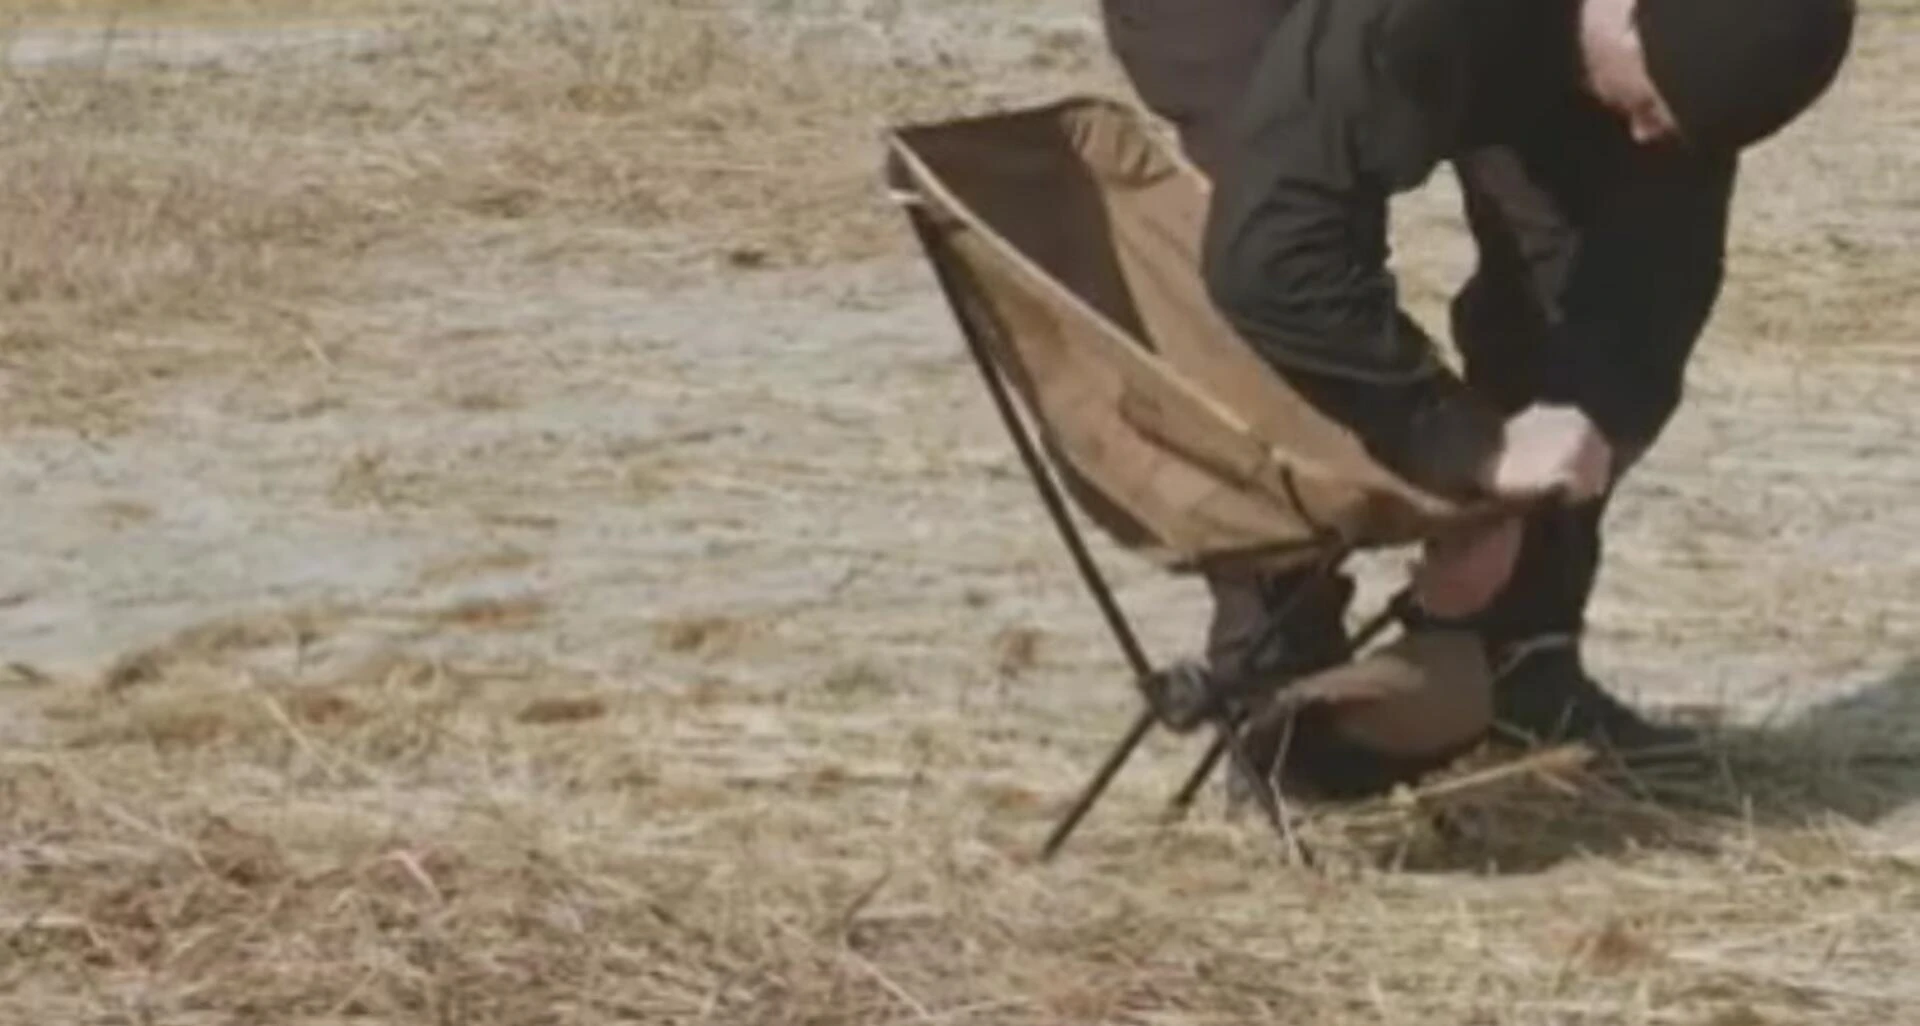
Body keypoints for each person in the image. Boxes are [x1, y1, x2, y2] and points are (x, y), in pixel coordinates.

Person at [1098, 0, 1855, 793]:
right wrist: (1464, 448)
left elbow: (1656, 272)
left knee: (1584, 254)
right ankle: (1280, 682)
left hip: (1525, 28)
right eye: (1650, 102)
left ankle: (1516, 656)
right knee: (1266, 236)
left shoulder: (1702, 33)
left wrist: (1534, 475)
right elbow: (1276, 259)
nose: (1643, 131)